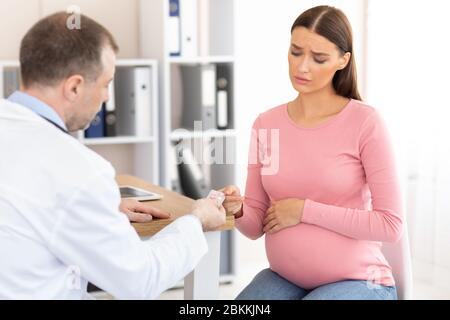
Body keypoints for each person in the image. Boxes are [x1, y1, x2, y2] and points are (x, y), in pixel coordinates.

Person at [0, 12, 226, 299]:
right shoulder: (80, 170)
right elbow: (139, 280)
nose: (108, 97)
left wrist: (101, 209)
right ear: (74, 87)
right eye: (106, 84)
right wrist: (196, 222)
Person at [220, 5, 403, 300]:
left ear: (343, 61)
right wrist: (238, 209)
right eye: (295, 52)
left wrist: (304, 210)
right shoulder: (266, 124)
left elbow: (390, 225)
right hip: (285, 278)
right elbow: (256, 226)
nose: (302, 66)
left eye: (318, 58)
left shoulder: (365, 122)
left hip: (360, 282)